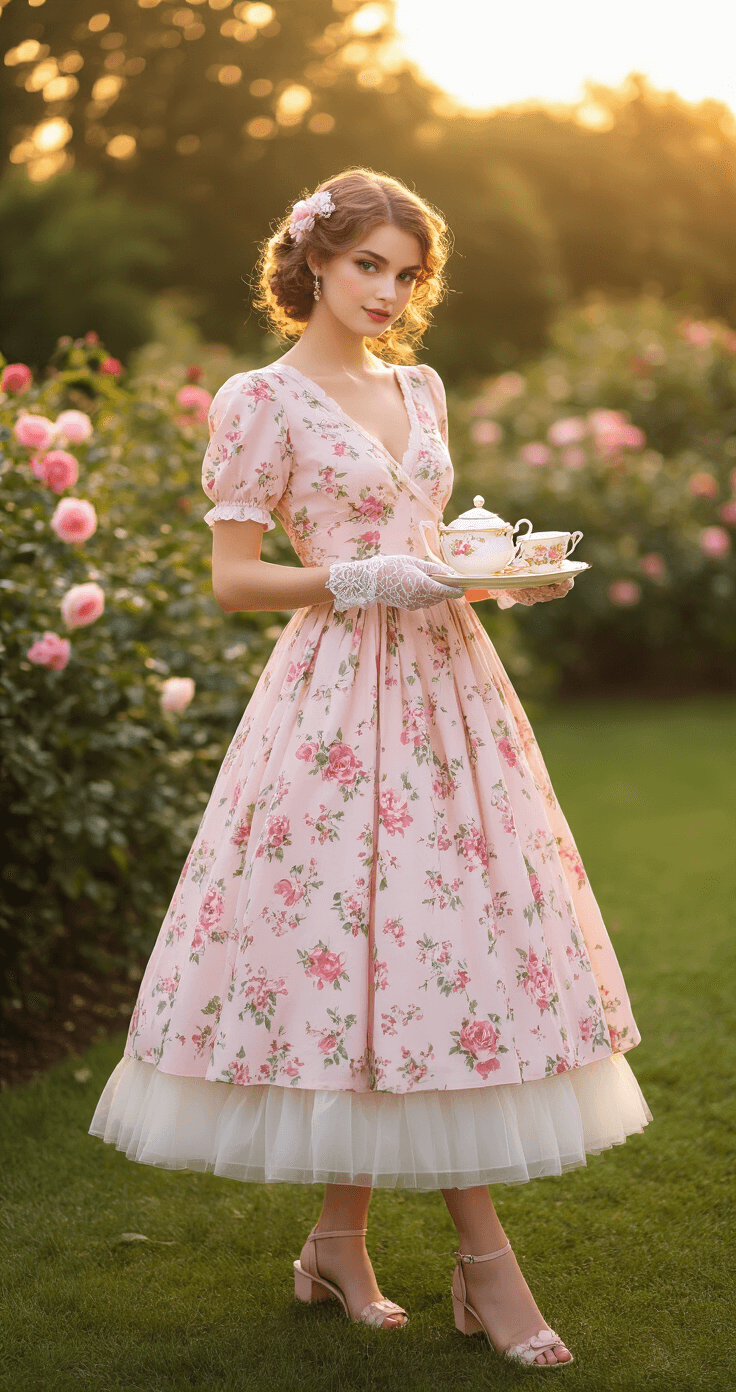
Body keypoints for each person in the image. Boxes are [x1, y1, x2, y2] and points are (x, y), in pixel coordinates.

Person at [88, 167, 652, 1368]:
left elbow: (427, 544)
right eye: (366, 266)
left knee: (428, 955)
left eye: (405, 272)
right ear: (312, 264)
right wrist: (361, 579)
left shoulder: (420, 385)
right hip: (337, 707)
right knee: (375, 953)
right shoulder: (262, 400)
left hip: (451, 695)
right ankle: (487, 1272)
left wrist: (494, 571)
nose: (387, 292)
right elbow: (235, 578)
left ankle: (338, 1245)